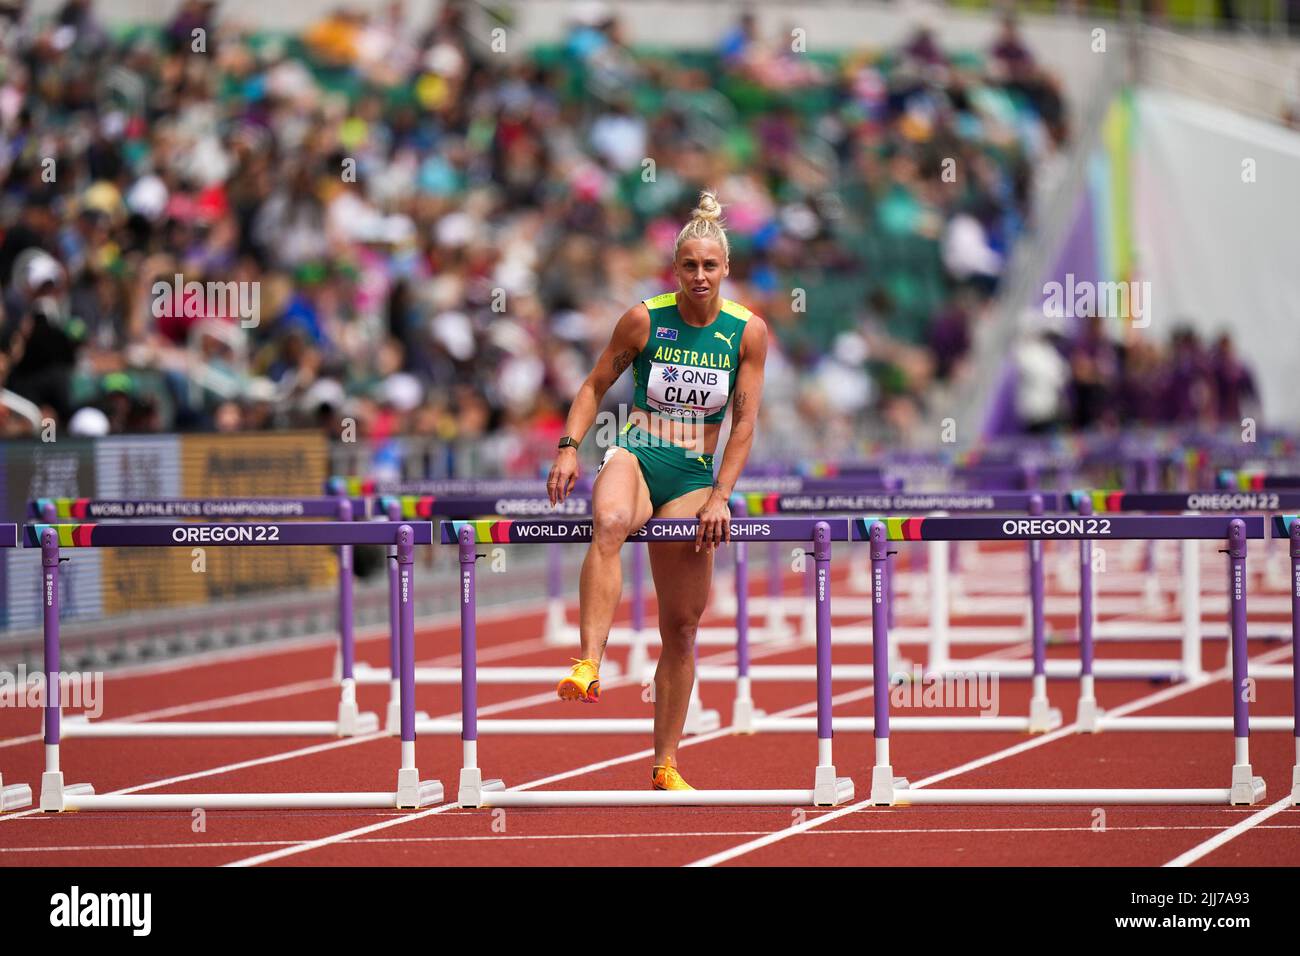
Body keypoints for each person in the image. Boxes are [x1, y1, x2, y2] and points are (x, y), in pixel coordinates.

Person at [546, 192, 768, 791]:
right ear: (675, 270)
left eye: (710, 266)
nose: (699, 275)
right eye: (689, 265)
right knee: (612, 519)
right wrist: (569, 446)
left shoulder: (747, 332)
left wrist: (721, 494)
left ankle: (665, 762)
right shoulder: (644, 318)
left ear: (726, 269)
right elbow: (593, 386)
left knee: (683, 626)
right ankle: (588, 662)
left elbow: (744, 422)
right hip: (638, 452)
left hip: (695, 474)